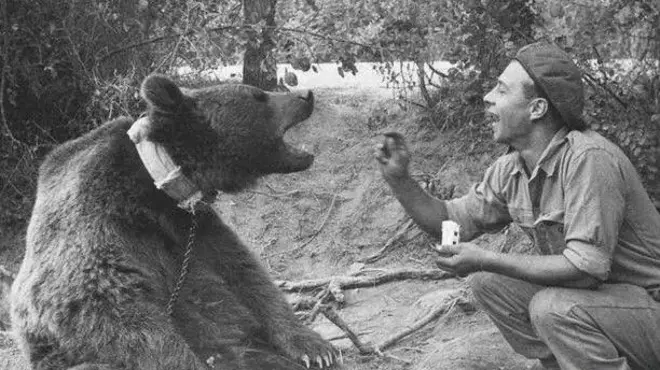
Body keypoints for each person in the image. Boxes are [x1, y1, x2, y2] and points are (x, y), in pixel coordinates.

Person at [373, 42, 660, 370]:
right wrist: (400, 181)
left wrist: (486, 257)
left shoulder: (589, 159)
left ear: (537, 109)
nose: (488, 98)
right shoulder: (511, 168)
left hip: (649, 309)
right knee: (487, 284)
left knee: (551, 308)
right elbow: (451, 222)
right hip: (602, 305)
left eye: (501, 89)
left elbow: (585, 270)